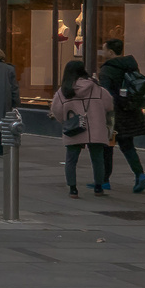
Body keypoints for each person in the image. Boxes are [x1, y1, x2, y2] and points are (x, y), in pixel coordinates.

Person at [49, 59, 112, 198]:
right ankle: (98, 187)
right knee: (97, 158)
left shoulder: (63, 90)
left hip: (74, 128)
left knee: (71, 159)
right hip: (96, 127)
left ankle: (73, 189)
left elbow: (56, 110)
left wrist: (65, 121)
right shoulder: (95, 87)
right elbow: (109, 104)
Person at [98, 38, 145, 192]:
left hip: (113, 114)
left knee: (107, 147)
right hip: (130, 111)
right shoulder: (130, 65)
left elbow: (106, 94)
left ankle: (104, 180)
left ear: (111, 52)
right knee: (128, 146)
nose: (103, 52)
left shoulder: (107, 69)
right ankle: (140, 174)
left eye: (104, 49)